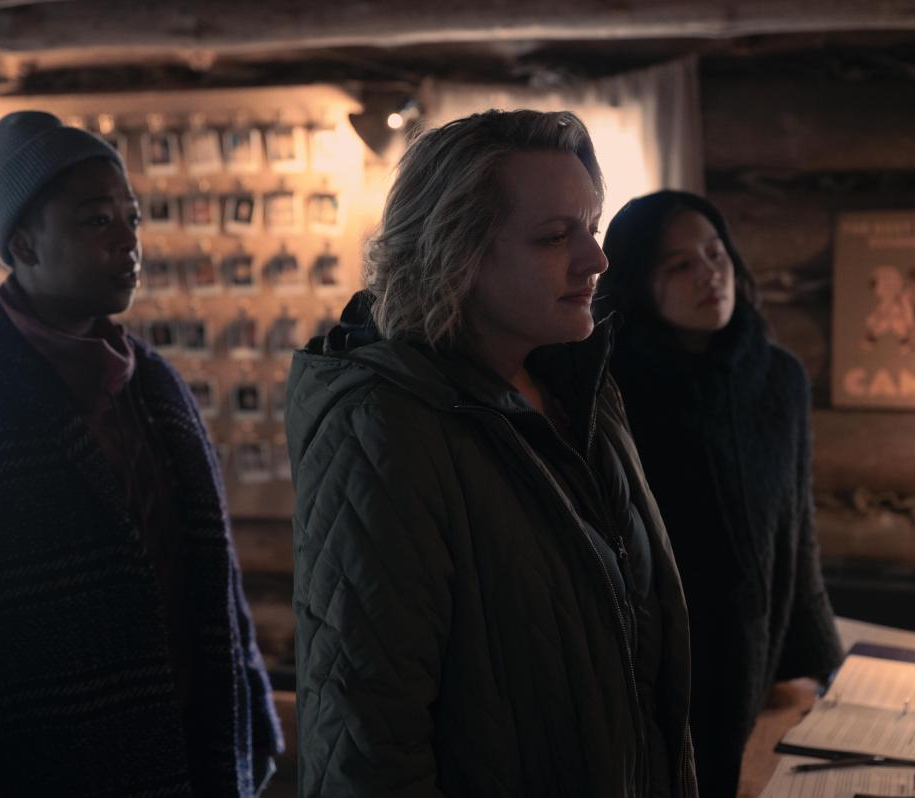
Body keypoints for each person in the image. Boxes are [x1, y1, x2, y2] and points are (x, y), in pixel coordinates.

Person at [0, 111, 282, 798]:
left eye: (132, 217)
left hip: (196, 761)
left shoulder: (157, 385)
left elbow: (213, 584)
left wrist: (252, 723)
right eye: (95, 221)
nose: (128, 240)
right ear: (22, 244)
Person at [285, 110, 698, 798]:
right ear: (457, 253)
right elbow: (368, 740)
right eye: (553, 237)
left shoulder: (581, 389)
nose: (596, 260)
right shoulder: (384, 426)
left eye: (591, 229)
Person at [595, 190, 843, 797]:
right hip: (651, 673)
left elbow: (796, 527)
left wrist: (819, 660)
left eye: (715, 252)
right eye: (679, 265)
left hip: (756, 654)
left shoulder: (779, 377)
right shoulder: (610, 385)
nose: (709, 273)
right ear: (637, 286)